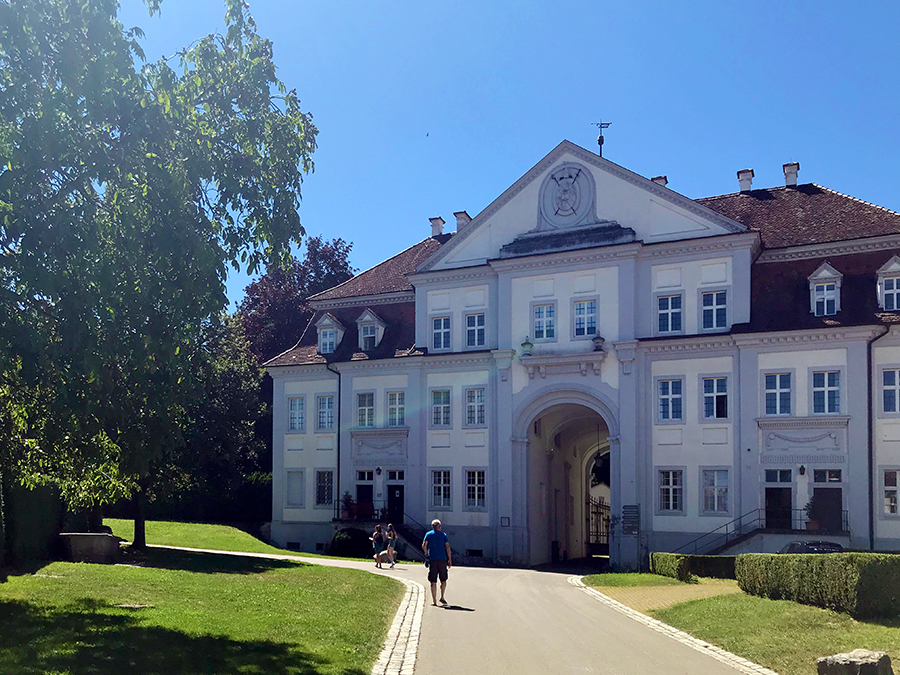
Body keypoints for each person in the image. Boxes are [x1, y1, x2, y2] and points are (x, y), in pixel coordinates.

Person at [421, 519, 452, 606]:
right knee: (443, 579)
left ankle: (434, 601)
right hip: (442, 559)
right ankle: (442, 597)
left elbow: (424, 545)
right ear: (440, 527)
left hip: (433, 560)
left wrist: (426, 552)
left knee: (433, 580)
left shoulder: (428, 534)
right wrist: (449, 559)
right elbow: (447, 547)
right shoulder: (444, 535)